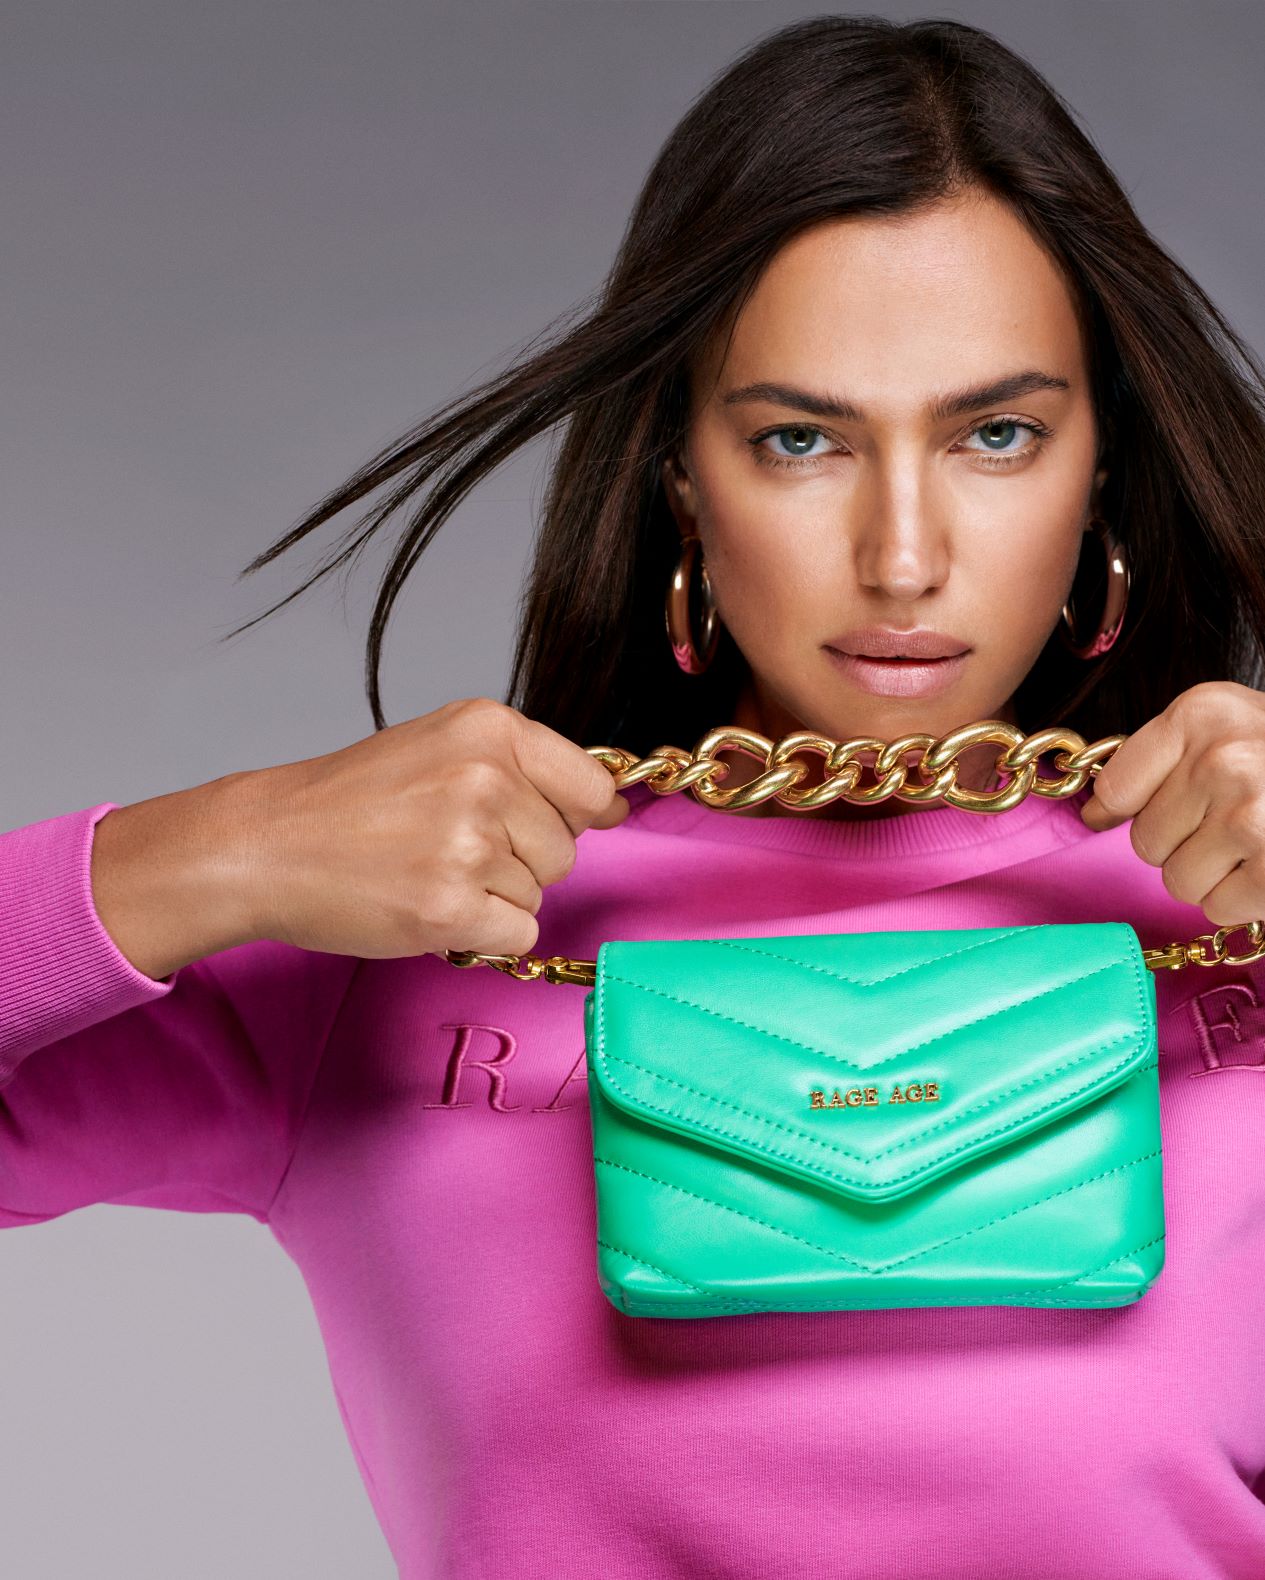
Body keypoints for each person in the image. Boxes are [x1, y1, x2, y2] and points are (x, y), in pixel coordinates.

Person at [5, 13, 1265, 1577]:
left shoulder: (1234, 909)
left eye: (994, 435)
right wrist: (210, 851)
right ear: (680, 473)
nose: (902, 556)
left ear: (1099, 471)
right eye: (799, 440)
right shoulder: (407, 936)